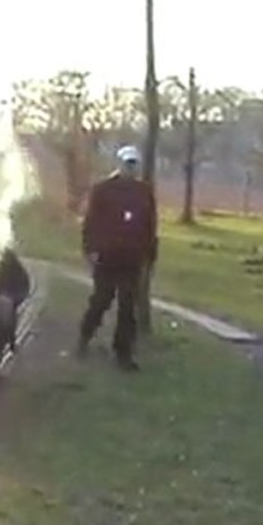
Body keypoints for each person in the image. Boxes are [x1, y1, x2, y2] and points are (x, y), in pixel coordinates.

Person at [76, 145, 158, 371]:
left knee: (127, 307)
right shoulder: (103, 190)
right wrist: (90, 249)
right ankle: (84, 338)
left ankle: (123, 353)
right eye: (127, 164)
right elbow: (91, 222)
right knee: (101, 300)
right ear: (119, 165)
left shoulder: (144, 192)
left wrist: (150, 255)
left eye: (134, 164)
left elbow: (150, 225)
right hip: (107, 256)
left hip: (132, 258)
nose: (130, 168)